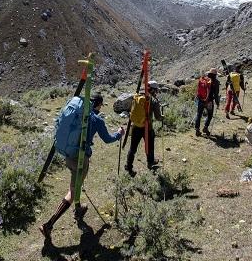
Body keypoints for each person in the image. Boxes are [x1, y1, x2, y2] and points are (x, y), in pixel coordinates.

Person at [39, 92, 123, 240]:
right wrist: (119, 134)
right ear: (98, 105)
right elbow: (108, 139)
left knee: (75, 185)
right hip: (80, 159)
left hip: (69, 154)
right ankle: (49, 224)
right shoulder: (97, 119)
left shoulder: (79, 115)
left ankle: (78, 209)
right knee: (72, 191)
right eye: (101, 105)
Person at [125, 80, 163, 175]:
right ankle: (150, 163)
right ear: (153, 90)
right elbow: (158, 117)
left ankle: (129, 167)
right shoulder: (153, 100)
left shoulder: (137, 96)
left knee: (133, 148)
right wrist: (163, 117)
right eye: (156, 90)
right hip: (147, 128)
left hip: (136, 126)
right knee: (150, 146)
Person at [194, 68, 220, 136]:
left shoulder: (203, 79)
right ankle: (205, 128)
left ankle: (197, 130)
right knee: (210, 115)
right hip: (209, 102)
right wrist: (217, 103)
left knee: (199, 114)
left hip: (200, 100)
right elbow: (216, 94)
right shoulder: (216, 82)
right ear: (215, 75)